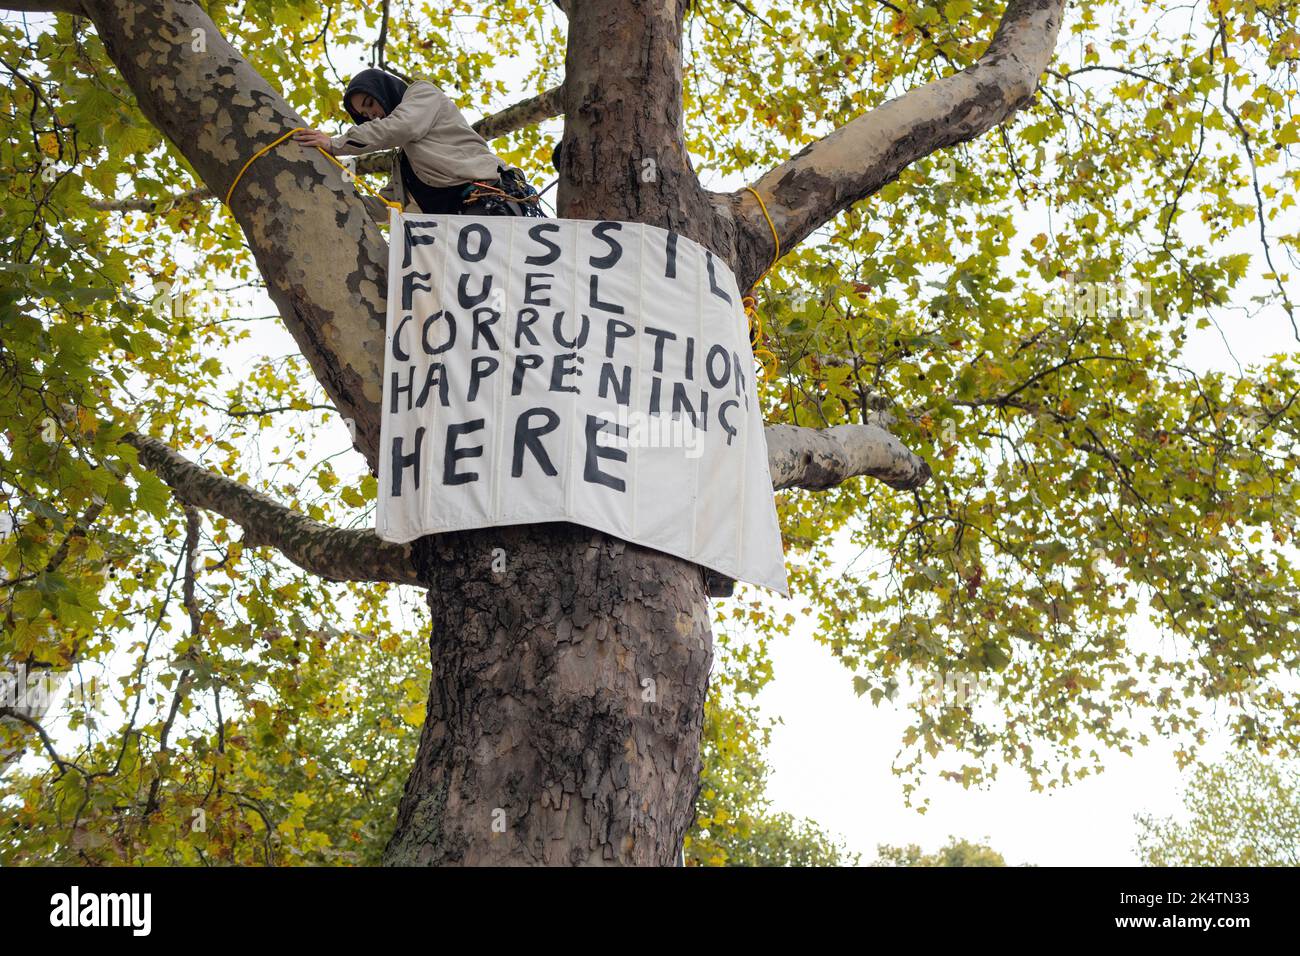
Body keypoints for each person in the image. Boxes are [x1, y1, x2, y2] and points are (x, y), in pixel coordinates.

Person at [293, 68, 545, 218]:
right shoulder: (406, 160)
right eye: (365, 116)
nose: (372, 116)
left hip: (488, 204)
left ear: (383, 89)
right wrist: (338, 199)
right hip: (459, 226)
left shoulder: (422, 93)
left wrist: (335, 143)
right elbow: (388, 206)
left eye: (370, 104)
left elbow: (402, 126)